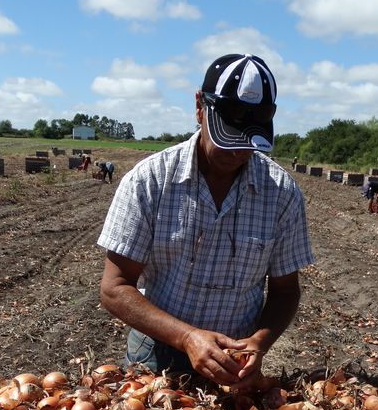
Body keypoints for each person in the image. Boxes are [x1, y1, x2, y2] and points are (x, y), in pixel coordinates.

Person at [98, 53, 312, 389]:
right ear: (200, 107)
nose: (237, 152)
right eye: (228, 137)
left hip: (233, 360)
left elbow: (285, 291)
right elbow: (114, 288)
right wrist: (186, 337)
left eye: (247, 141)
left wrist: (258, 343)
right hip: (156, 354)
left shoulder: (281, 193)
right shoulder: (149, 181)